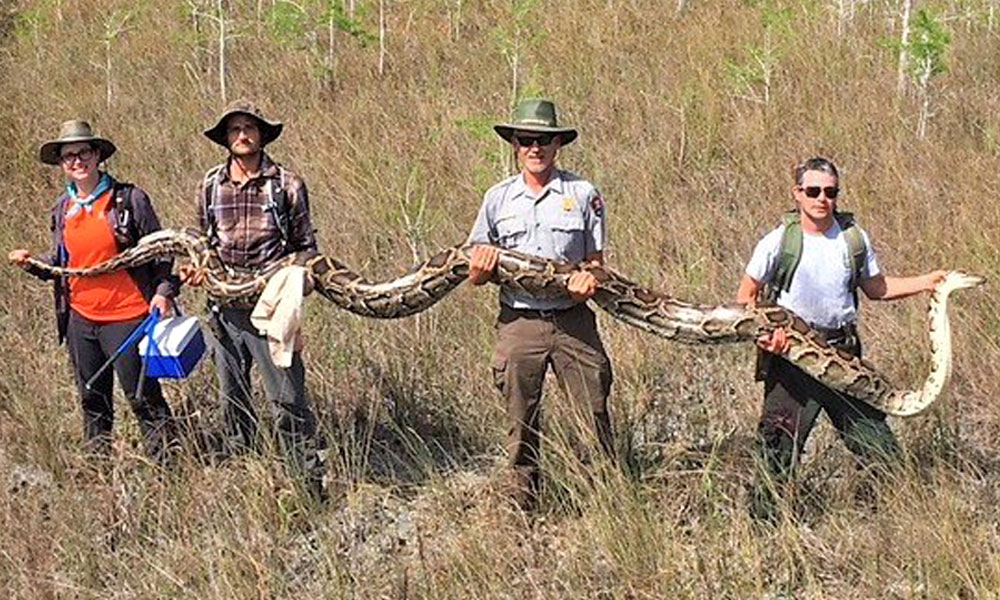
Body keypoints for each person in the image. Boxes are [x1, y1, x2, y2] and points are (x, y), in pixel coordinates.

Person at [735, 156, 946, 520]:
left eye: (830, 192)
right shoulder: (779, 241)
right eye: (813, 191)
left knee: (878, 446)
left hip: (843, 356)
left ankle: (896, 517)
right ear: (797, 194)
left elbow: (876, 288)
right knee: (777, 451)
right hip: (792, 361)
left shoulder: (852, 238)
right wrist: (768, 338)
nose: (822, 199)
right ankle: (765, 534)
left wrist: (927, 282)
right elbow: (746, 296)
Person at [467, 99, 614, 511]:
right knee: (520, 419)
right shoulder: (497, 198)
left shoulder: (584, 194)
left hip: (573, 321)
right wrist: (479, 268)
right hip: (520, 321)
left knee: (594, 412)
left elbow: (599, 266)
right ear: (514, 144)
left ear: (557, 145)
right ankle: (522, 506)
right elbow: (474, 272)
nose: (535, 148)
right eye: (527, 140)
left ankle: (603, 502)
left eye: (544, 140)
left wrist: (590, 280)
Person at [180, 100, 326, 501]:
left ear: (261, 135)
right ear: (225, 139)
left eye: (249, 128)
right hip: (224, 310)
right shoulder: (210, 185)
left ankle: (307, 483)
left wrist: (296, 283)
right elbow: (201, 243)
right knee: (233, 398)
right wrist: (195, 272)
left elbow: (305, 248)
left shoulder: (287, 184)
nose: (242, 135)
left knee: (287, 398)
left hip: (272, 309)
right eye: (234, 130)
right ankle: (244, 478)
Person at [8, 120, 178, 462]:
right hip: (81, 319)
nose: (77, 160)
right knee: (91, 397)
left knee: (141, 395)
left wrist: (163, 291)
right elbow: (64, 262)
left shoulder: (128, 199)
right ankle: (98, 468)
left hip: (128, 316)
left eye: (84, 152)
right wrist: (33, 264)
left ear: (97, 155)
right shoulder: (62, 209)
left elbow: (163, 250)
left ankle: (169, 467)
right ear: (61, 163)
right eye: (68, 155)